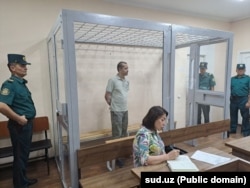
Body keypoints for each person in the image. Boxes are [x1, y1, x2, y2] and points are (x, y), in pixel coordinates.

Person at [0, 54, 37, 188]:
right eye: (22, 65)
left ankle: (23, 180)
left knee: (23, 155)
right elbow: (1, 106)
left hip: (25, 126)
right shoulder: (9, 85)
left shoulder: (20, 83)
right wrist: (18, 118)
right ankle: (20, 185)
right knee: (20, 156)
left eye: (25, 65)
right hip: (19, 126)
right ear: (12, 67)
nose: (26, 68)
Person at [104, 61, 129, 167]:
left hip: (125, 110)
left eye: (128, 68)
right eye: (125, 68)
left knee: (124, 133)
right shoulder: (112, 80)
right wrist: (113, 105)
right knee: (117, 135)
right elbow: (107, 95)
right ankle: (116, 158)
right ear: (119, 69)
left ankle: (122, 154)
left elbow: (124, 95)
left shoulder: (127, 81)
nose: (127, 70)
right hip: (116, 111)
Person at [230, 63, 250, 137]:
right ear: (236, 70)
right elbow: (229, 89)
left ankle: (246, 131)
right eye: (239, 69)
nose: (240, 71)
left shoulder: (248, 78)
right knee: (233, 116)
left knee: (245, 116)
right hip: (233, 99)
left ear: (244, 70)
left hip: (243, 99)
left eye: (242, 69)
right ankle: (233, 129)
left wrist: (249, 102)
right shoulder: (232, 79)